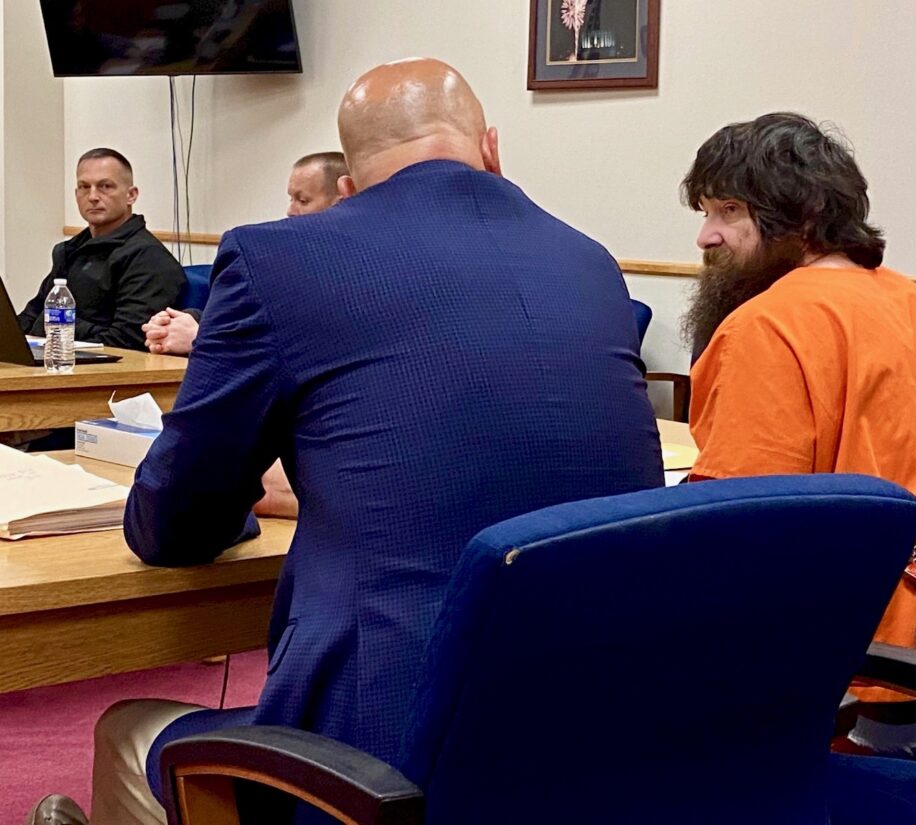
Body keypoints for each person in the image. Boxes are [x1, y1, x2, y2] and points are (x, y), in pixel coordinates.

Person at [27, 59, 662, 825]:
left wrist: (258, 499)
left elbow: (176, 521)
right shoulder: (590, 263)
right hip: (605, 738)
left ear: (351, 190)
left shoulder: (278, 258)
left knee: (126, 728)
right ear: (492, 148)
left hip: (382, 755)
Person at [681, 113, 916, 705]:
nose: (705, 236)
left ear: (801, 217)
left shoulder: (766, 326)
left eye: (729, 211)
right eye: (705, 212)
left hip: (835, 653)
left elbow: (742, 535)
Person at [143, 151, 349, 355]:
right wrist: (183, 323)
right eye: (291, 199)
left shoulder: (348, 270)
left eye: (302, 201)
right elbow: (241, 318)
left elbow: (300, 345)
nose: (290, 211)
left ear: (342, 201)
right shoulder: (277, 257)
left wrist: (202, 338)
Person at [17, 148, 185, 351]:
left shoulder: (149, 258)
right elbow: (32, 316)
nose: (93, 196)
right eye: (84, 187)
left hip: (109, 366)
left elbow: (128, 341)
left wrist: (54, 326)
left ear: (131, 195)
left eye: (105, 186)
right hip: (57, 358)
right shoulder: (70, 250)